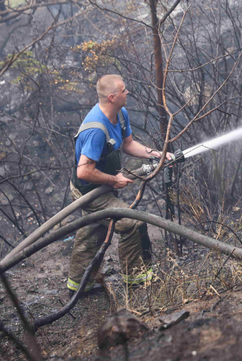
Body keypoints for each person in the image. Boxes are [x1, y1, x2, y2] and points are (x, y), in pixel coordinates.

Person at [67, 74, 170, 295]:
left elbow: (129, 145)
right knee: (131, 223)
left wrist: (158, 155)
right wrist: (114, 180)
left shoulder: (120, 114)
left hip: (103, 186)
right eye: (124, 91)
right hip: (89, 191)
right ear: (112, 97)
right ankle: (136, 281)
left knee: (93, 228)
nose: (128, 93)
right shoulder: (95, 130)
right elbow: (84, 171)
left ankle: (79, 286)